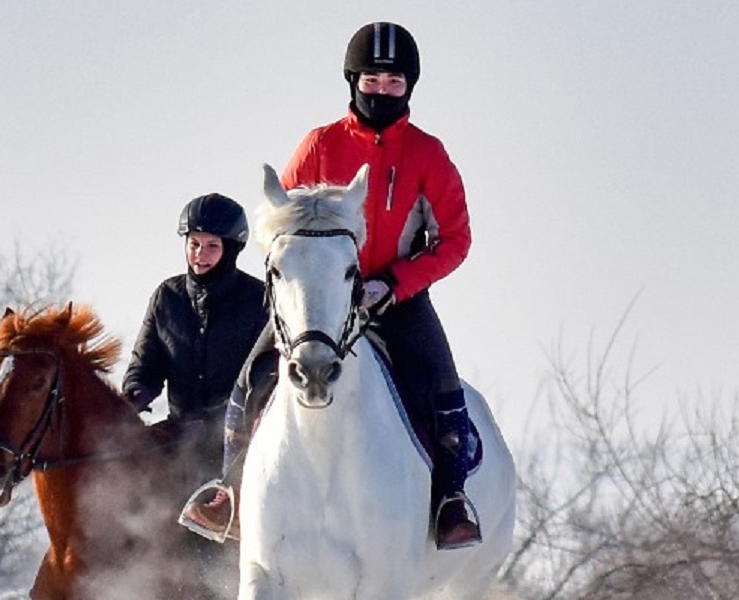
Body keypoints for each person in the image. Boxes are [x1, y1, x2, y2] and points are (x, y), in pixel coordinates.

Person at [178, 21, 484, 551]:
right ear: (352, 81)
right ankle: (229, 492)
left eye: (394, 83)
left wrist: (394, 283)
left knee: (442, 382)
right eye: (372, 80)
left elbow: (454, 239)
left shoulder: (428, 155)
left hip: (393, 299)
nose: (382, 91)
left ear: (409, 87)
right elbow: (279, 222)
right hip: (318, 303)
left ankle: (450, 499)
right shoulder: (320, 144)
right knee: (251, 377)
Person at [120, 194, 266, 473]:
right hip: (177, 440)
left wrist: (213, 424)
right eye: (194, 244)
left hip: (242, 445)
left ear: (231, 250)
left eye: (212, 246)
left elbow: (262, 381)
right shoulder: (167, 297)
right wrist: (134, 394)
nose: (200, 254)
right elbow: (146, 364)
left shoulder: (258, 301)